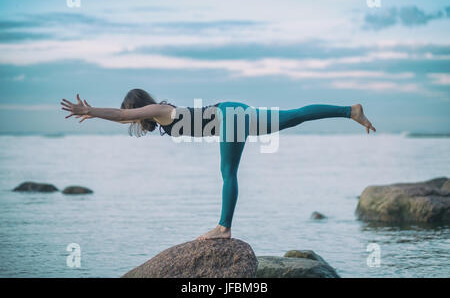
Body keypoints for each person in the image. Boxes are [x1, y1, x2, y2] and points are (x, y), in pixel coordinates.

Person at [60, 89, 376, 240]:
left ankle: (223, 228)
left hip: (229, 118)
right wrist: (98, 114)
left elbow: (122, 116)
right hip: (232, 114)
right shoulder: (159, 112)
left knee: (229, 173)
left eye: (133, 114)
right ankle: (350, 110)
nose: (135, 120)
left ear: (139, 108)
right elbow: (124, 119)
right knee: (293, 117)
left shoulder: (158, 109)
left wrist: (90, 110)